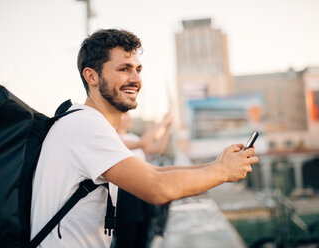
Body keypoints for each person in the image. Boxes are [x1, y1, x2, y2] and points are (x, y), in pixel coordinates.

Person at [30, 28, 258, 248]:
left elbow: (153, 172)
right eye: (124, 69)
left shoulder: (79, 120)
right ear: (91, 76)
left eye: (138, 69)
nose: (136, 78)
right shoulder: (85, 125)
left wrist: (217, 164)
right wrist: (222, 172)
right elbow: (156, 188)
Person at [114, 113, 172, 248]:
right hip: (126, 196)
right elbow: (144, 142)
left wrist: (168, 127)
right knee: (127, 239)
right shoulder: (114, 139)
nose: (129, 118)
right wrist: (163, 122)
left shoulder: (132, 137)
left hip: (142, 194)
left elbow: (157, 148)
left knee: (143, 237)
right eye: (125, 115)